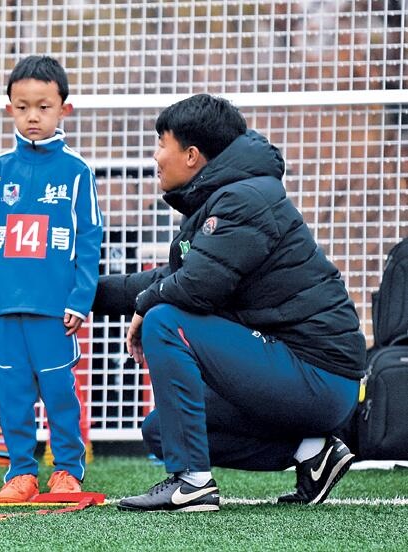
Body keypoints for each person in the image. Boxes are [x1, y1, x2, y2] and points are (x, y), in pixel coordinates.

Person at [91, 94, 365, 512]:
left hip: (319, 375)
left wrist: (146, 306)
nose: (155, 157)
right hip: (290, 371)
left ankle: (192, 482)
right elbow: (167, 279)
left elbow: (196, 286)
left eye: (161, 144)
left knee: (164, 320)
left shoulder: (244, 199)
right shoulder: (221, 198)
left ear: (192, 155)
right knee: (162, 429)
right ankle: (311, 452)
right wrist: (78, 294)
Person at [0, 55, 103, 503]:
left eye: (43, 107)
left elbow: (90, 239)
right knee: (12, 394)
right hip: (7, 308)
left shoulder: (76, 172)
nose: (33, 116)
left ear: (64, 109)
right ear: (9, 108)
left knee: (60, 391)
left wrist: (80, 299)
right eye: (23, 106)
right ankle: (21, 473)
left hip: (54, 309)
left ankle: (66, 470)